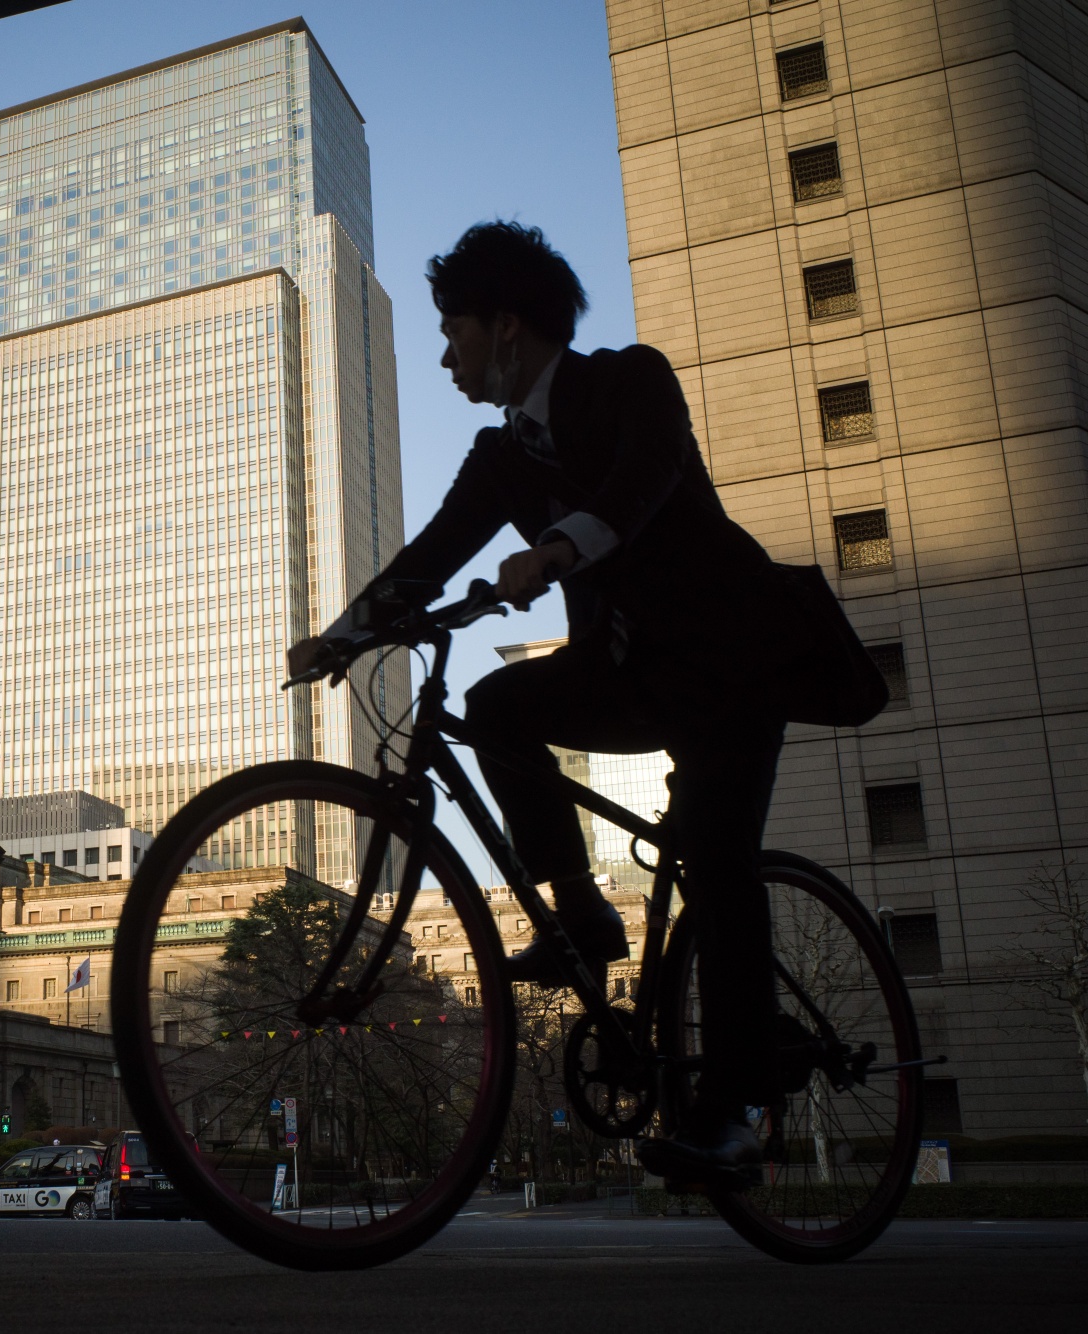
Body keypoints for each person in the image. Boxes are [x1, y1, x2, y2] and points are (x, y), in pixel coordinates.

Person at [288, 222, 853, 1178]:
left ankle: (736, 1109)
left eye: (452, 330)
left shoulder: (632, 379)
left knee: (719, 863)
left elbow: (647, 476)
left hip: (728, 662)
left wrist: (559, 548)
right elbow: (431, 557)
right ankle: (585, 918)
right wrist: (342, 637)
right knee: (499, 705)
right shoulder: (502, 455)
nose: (444, 354)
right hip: (627, 672)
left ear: (506, 327)